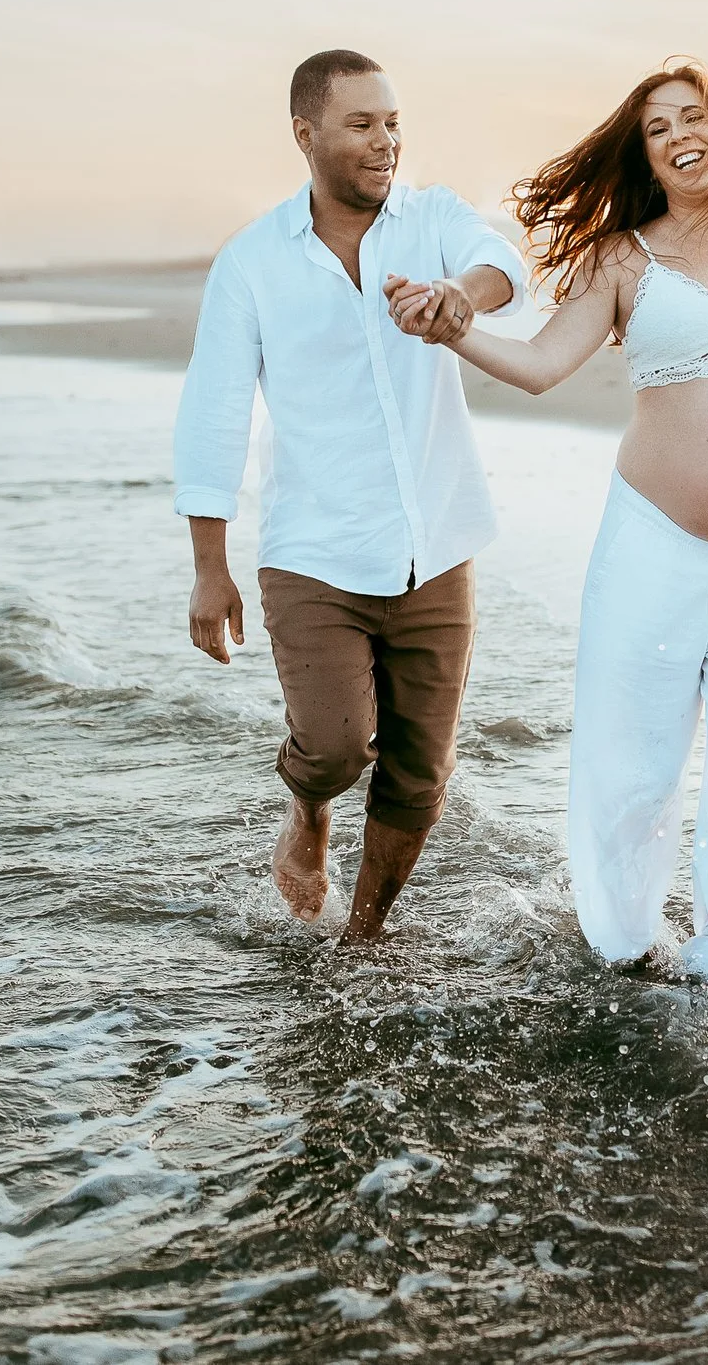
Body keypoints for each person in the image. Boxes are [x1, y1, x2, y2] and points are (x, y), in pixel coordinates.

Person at [387, 61, 708, 991]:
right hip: (656, 549)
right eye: (658, 128)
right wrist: (453, 330)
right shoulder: (625, 259)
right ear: (645, 154)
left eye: (692, 118)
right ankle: (624, 951)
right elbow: (543, 364)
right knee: (634, 775)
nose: (678, 136)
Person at [173, 49, 526, 941]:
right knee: (334, 746)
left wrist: (459, 296)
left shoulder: (432, 219)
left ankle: (363, 939)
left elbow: (501, 262)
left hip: (436, 543)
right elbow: (214, 413)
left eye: (394, 122)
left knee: (420, 776)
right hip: (314, 553)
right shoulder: (252, 262)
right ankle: (308, 811)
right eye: (362, 124)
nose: (385, 142)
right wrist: (210, 567)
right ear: (306, 134)